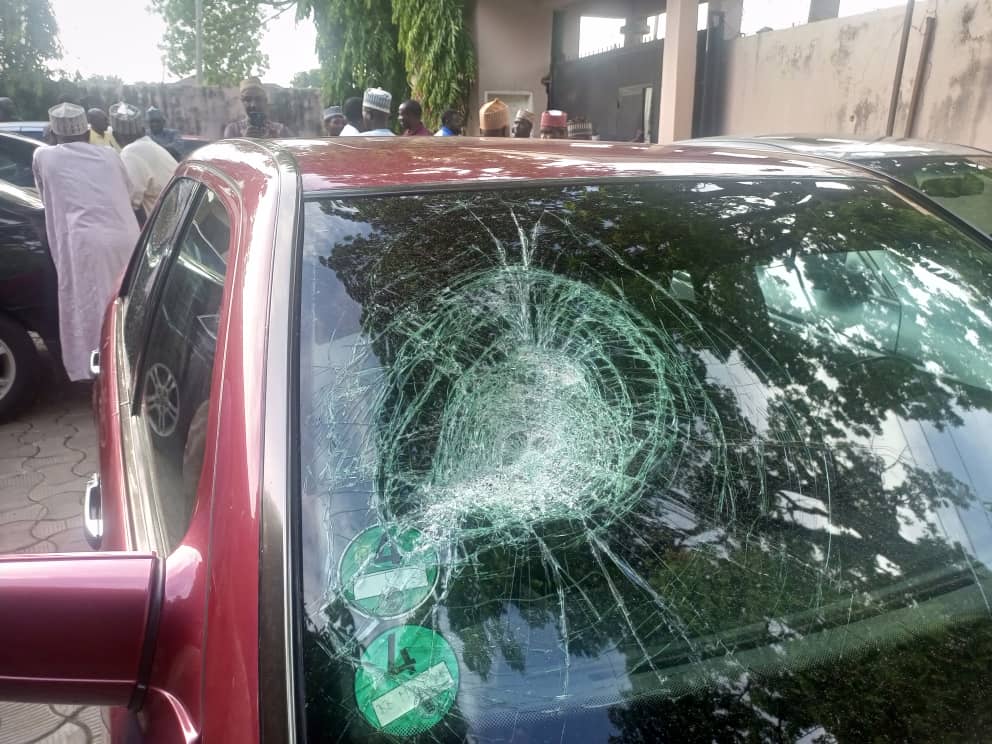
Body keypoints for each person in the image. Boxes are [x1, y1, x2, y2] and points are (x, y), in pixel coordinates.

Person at [32, 103, 139, 382]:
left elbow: (45, 195)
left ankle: (101, 371)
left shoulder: (44, 156)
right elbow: (129, 191)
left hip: (85, 243)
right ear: (86, 132)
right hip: (125, 235)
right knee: (128, 300)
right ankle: (136, 360)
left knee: (92, 306)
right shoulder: (109, 155)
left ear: (54, 134)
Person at [110, 102, 178, 225]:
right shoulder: (149, 145)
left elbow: (131, 203)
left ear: (114, 136)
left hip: (167, 225)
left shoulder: (130, 153)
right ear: (142, 130)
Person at [223, 77, 292, 138]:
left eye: (258, 99)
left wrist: (276, 142)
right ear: (242, 102)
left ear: (265, 101)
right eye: (247, 99)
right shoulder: (233, 130)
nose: (253, 105)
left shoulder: (281, 130)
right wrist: (245, 141)